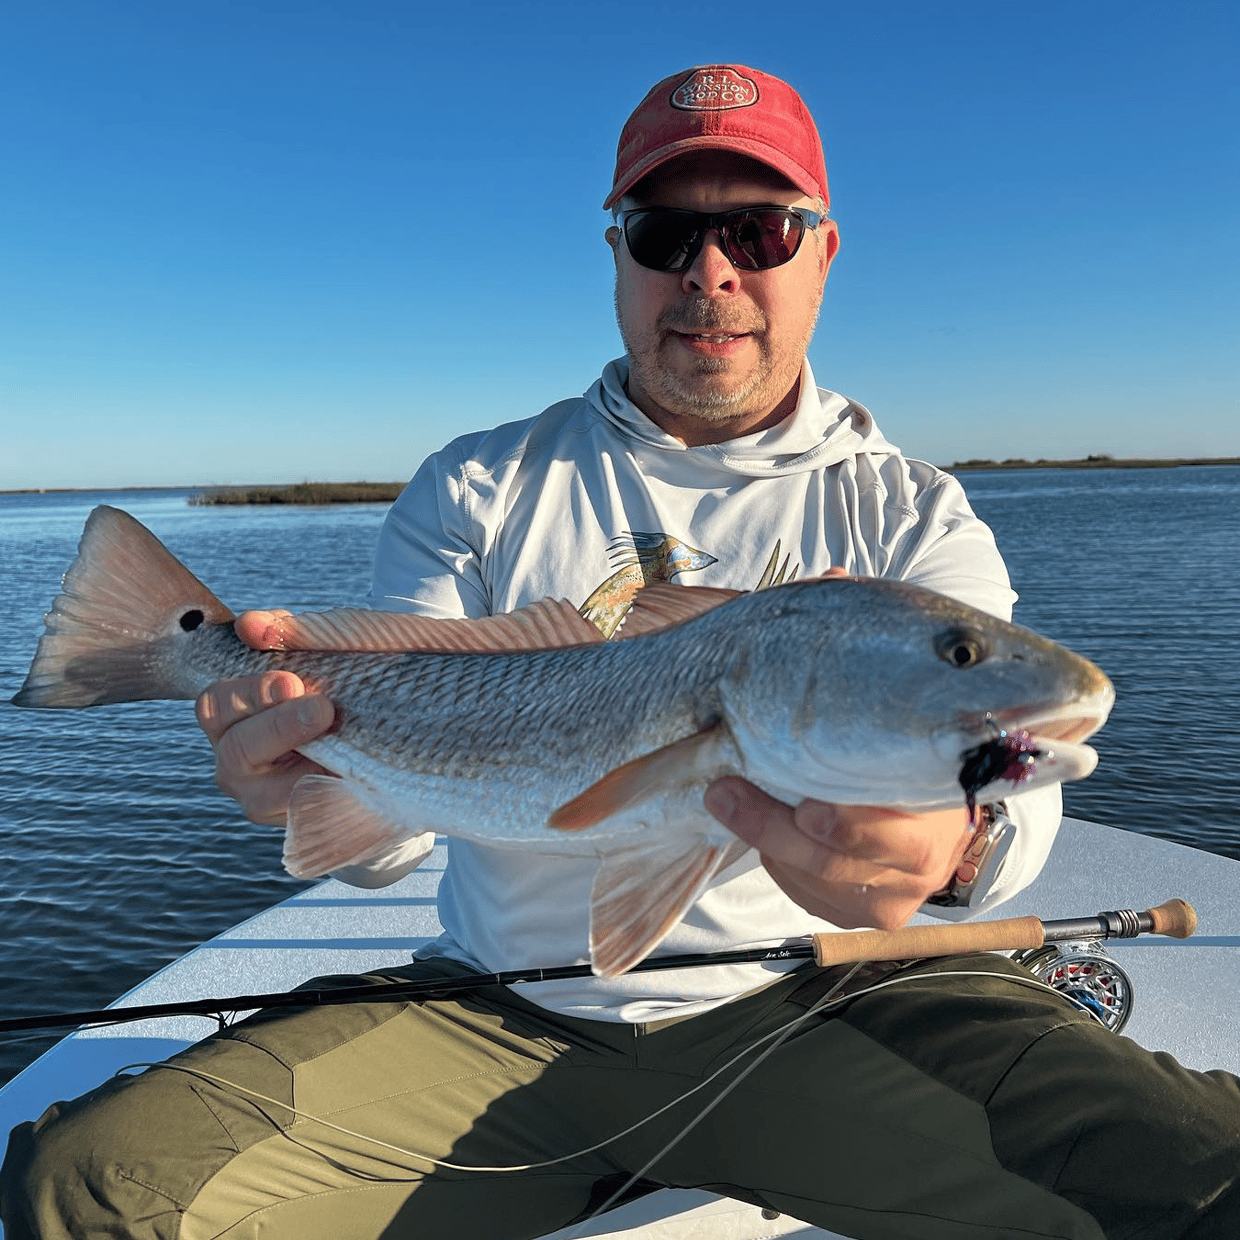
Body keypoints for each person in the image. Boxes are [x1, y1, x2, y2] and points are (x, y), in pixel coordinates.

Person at [3, 64, 1238, 1240]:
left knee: (1206, 1176)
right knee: (86, 1194)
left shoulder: (908, 514)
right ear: (617, 254)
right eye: (663, 231)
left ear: (823, 252)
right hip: (504, 1015)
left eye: (760, 230)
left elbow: (1009, 809)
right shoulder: (480, 484)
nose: (710, 270)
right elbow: (399, 841)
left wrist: (951, 853)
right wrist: (305, 785)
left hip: (838, 995)